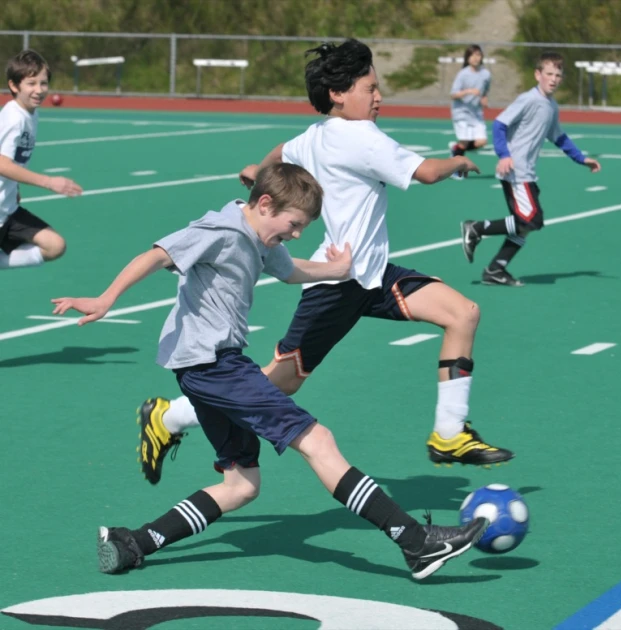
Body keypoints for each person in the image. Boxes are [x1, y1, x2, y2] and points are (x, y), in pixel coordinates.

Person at [51, 163, 488, 579]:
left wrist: (336, 270)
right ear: (264, 204)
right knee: (318, 441)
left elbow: (291, 270)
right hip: (213, 365)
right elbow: (157, 255)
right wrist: (106, 298)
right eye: (293, 225)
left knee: (241, 485)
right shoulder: (220, 230)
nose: (295, 235)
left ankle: (134, 543)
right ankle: (415, 541)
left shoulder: (263, 240)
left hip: (208, 368)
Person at [137, 38, 514, 488]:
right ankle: (169, 416)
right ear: (337, 93)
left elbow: (281, 151)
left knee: (462, 313)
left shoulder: (314, 137)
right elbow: (427, 173)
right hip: (337, 283)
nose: (379, 97)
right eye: (370, 88)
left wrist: (258, 174)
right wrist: (458, 161)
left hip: (371, 274)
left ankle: (450, 434)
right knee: (277, 385)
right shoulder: (361, 136)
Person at [461, 50, 601, 287]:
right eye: (549, 73)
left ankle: (496, 269)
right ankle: (476, 228)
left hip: (527, 173)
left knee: (527, 225)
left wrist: (581, 158)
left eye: (558, 75)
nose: (553, 79)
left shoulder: (551, 106)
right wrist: (504, 155)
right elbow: (499, 125)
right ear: (538, 74)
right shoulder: (529, 99)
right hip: (515, 172)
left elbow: (559, 137)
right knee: (531, 220)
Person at [0, 50, 82, 270]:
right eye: (31, 83)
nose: (39, 90)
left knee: (54, 245)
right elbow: (1, 163)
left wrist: (13, 185)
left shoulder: (30, 114)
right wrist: (49, 181)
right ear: (15, 86)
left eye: (43, 83)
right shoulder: (14, 118)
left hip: (6, 209)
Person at [449, 45, 491, 180]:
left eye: (478, 55)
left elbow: (485, 91)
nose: (476, 58)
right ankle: (455, 169)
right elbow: (453, 94)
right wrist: (468, 91)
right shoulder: (463, 74)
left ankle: (455, 149)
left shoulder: (486, 74)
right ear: (467, 58)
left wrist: (484, 99)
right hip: (461, 111)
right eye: (472, 55)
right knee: (465, 142)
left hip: (476, 112)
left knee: (482, 142)